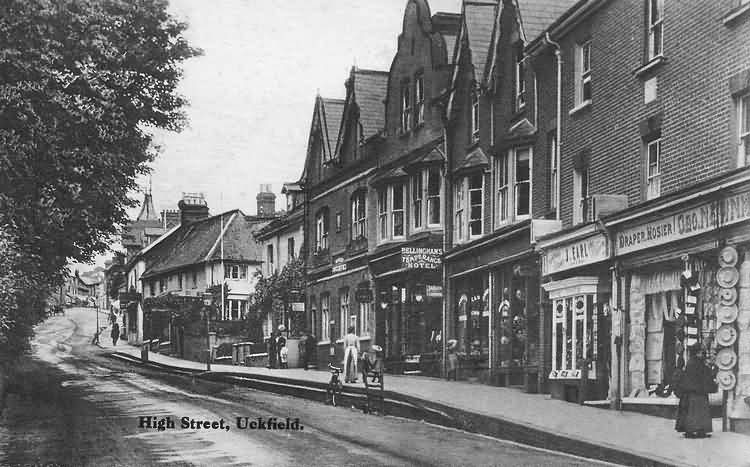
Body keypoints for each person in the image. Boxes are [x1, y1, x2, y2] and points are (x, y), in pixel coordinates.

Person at [675, 343, 717, 438]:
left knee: (692, 413)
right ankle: (697, 431)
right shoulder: (697, 363)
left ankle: (693, 431)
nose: (704, 354)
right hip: (697, 392)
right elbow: (705, 375)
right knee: (698, 412)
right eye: (702, 351)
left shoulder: (692, 362)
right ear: (698, 352)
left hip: (692, 392)